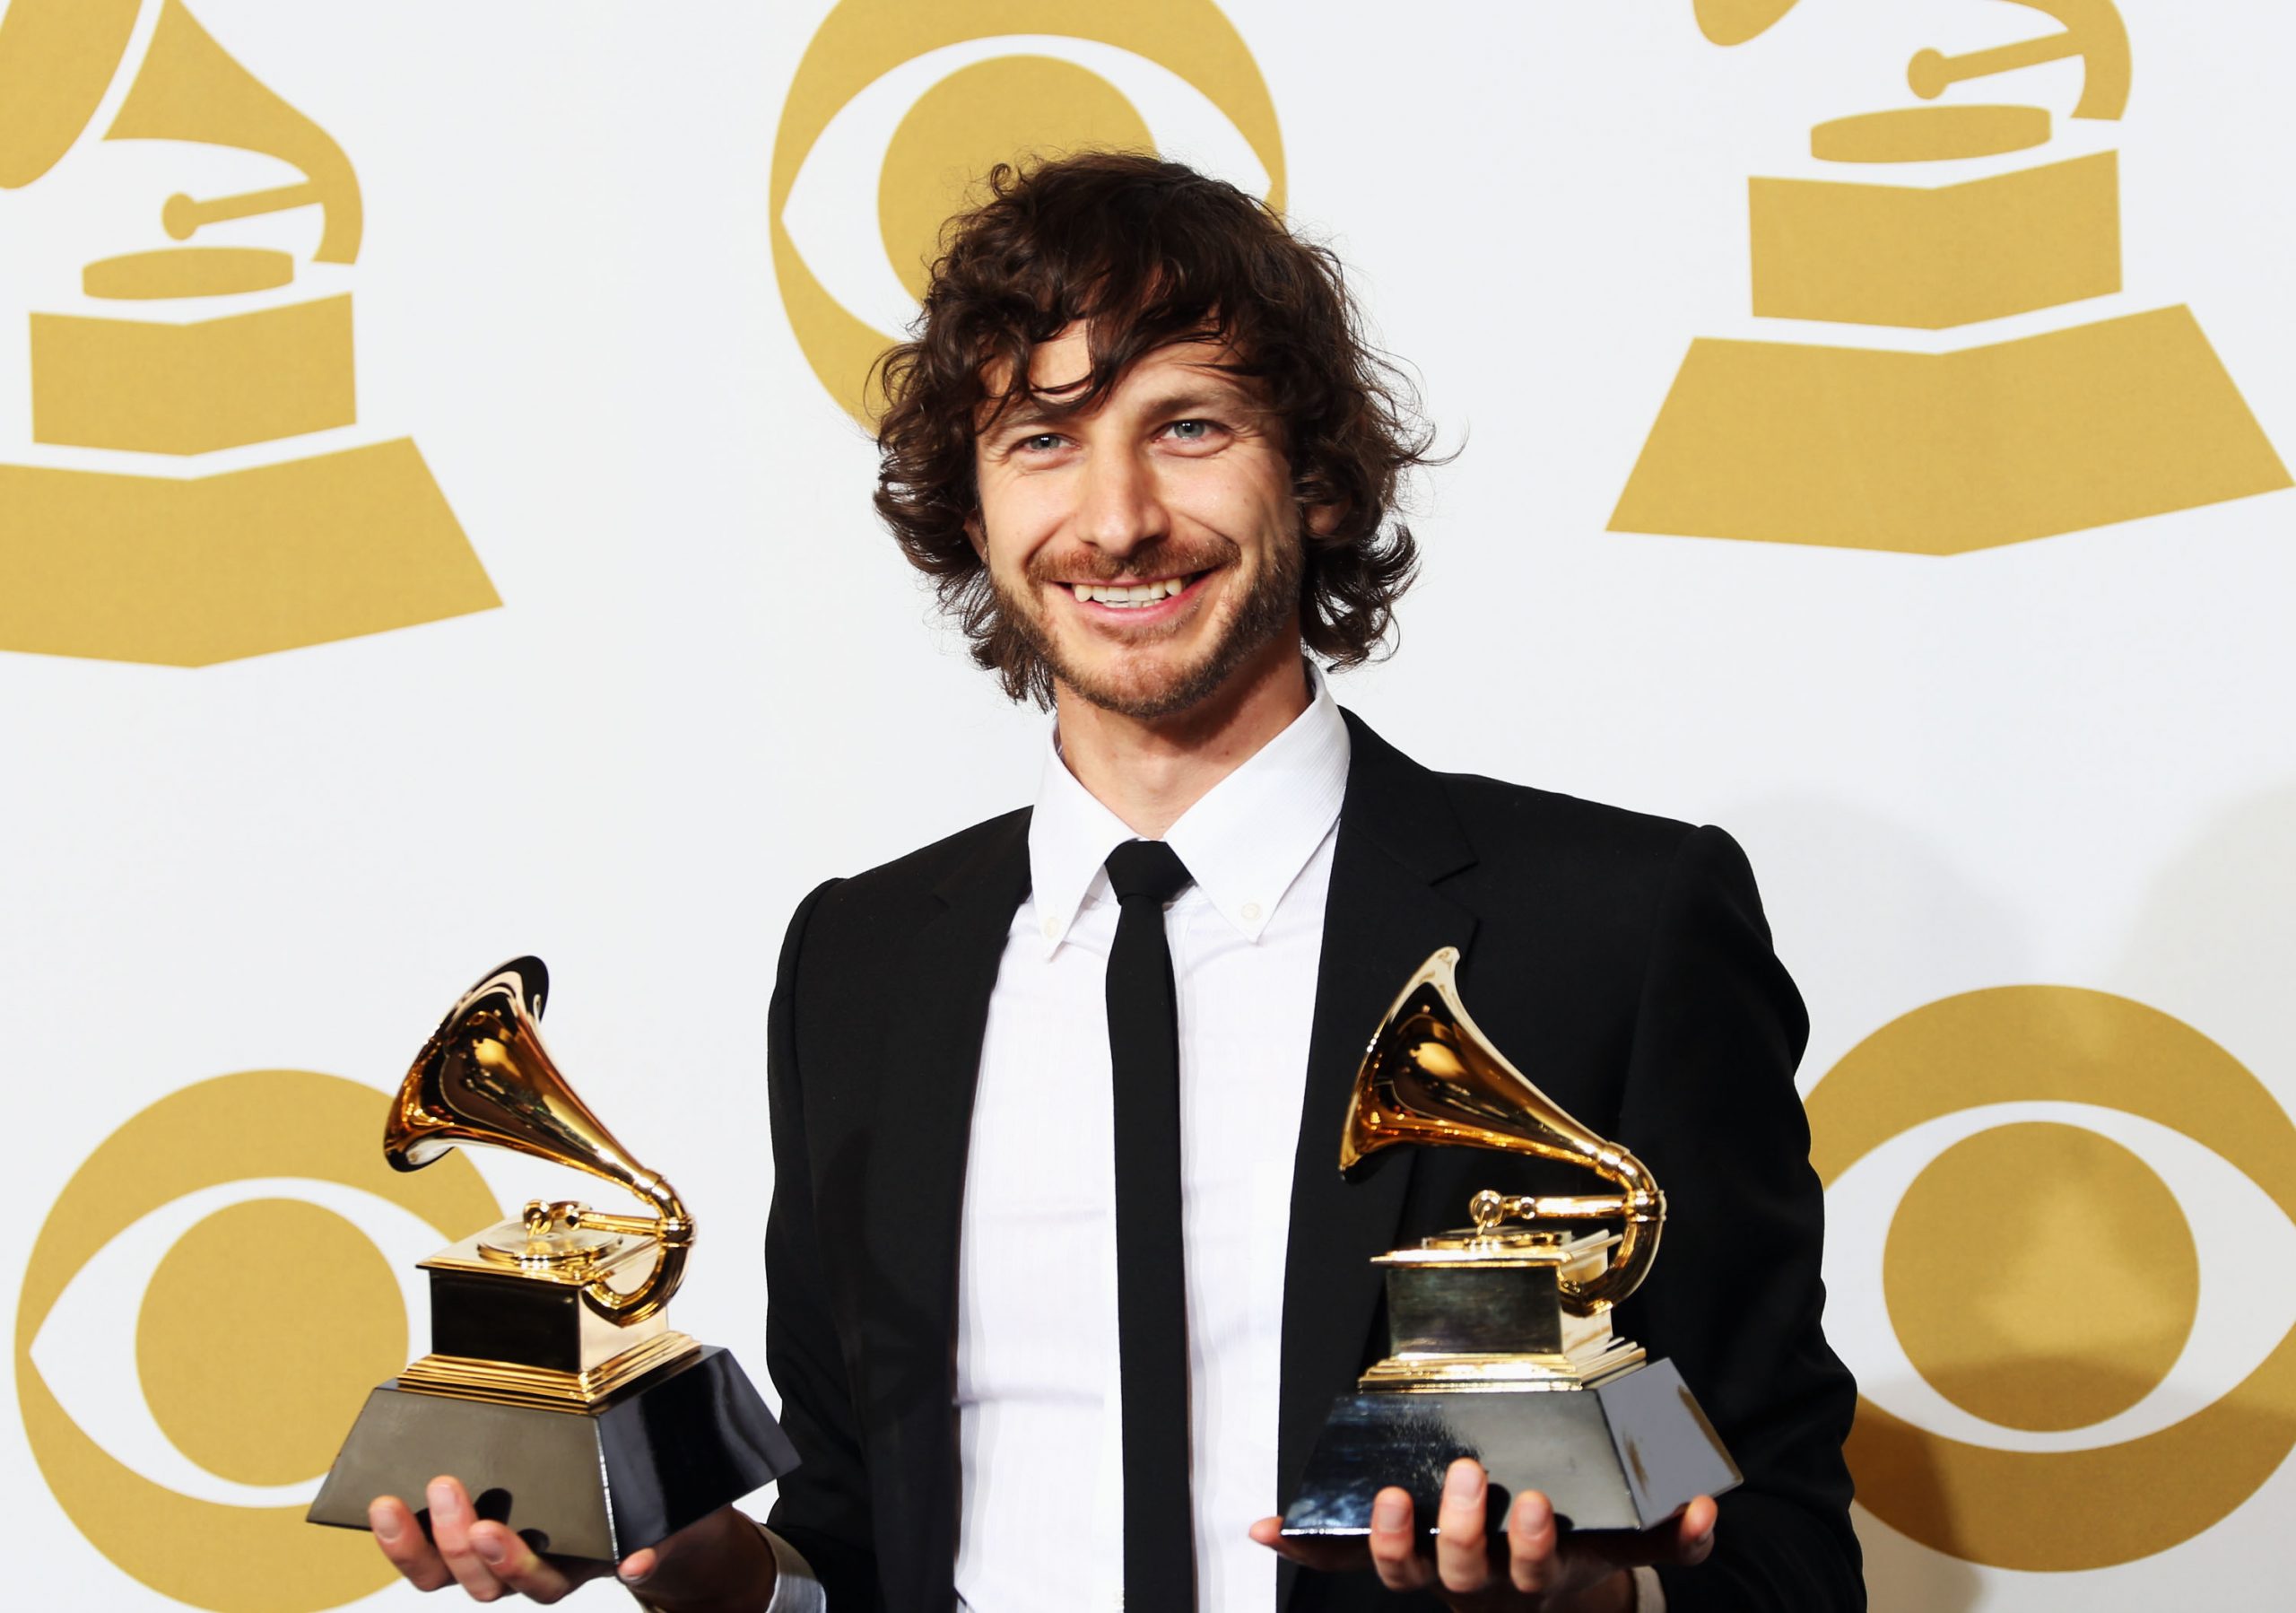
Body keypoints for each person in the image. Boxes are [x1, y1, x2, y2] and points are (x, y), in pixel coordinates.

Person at [370, 153, 1863, 1612]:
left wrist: (1588, 1600)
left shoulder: (1619, 925)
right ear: (972, 512)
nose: (1118, 517)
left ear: (1314, 478)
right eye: (1041, 440)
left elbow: (1785, 1546)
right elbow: (853, 1537)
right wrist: (704, 1571)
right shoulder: (859, 963)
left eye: (1189, 426)